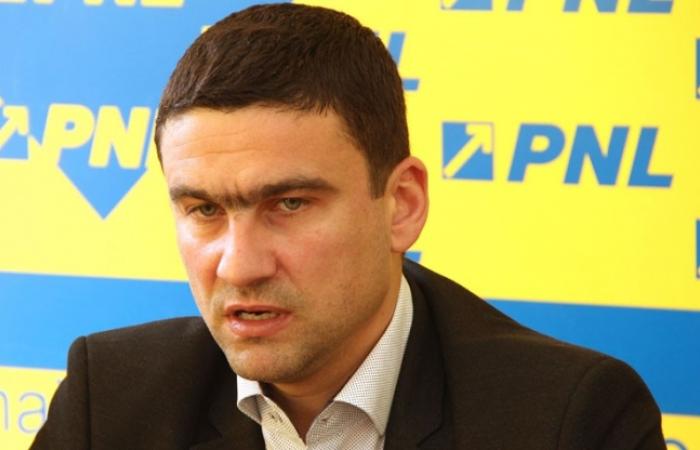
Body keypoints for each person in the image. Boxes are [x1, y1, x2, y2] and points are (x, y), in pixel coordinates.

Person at [32, 3, 665, 449]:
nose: (239, 264)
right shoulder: (110, 398)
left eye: (289, 204)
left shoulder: (568, 419)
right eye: (205, 210)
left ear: (402, 205)